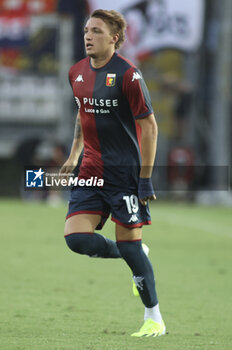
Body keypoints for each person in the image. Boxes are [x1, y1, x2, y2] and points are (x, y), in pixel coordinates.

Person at [60, 9, 166, 337]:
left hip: (124, 174)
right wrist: (74, 153)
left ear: (114, 38)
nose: (88, 37)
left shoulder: (128, 75)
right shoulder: (76, 72)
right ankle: (133, 252)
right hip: (91, 168)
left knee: (132, 245)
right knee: (77, 239)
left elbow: (149, 127)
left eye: (96, 31)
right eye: (86, 31)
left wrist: (145, 178)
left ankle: (154, 318)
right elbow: (83, 113)